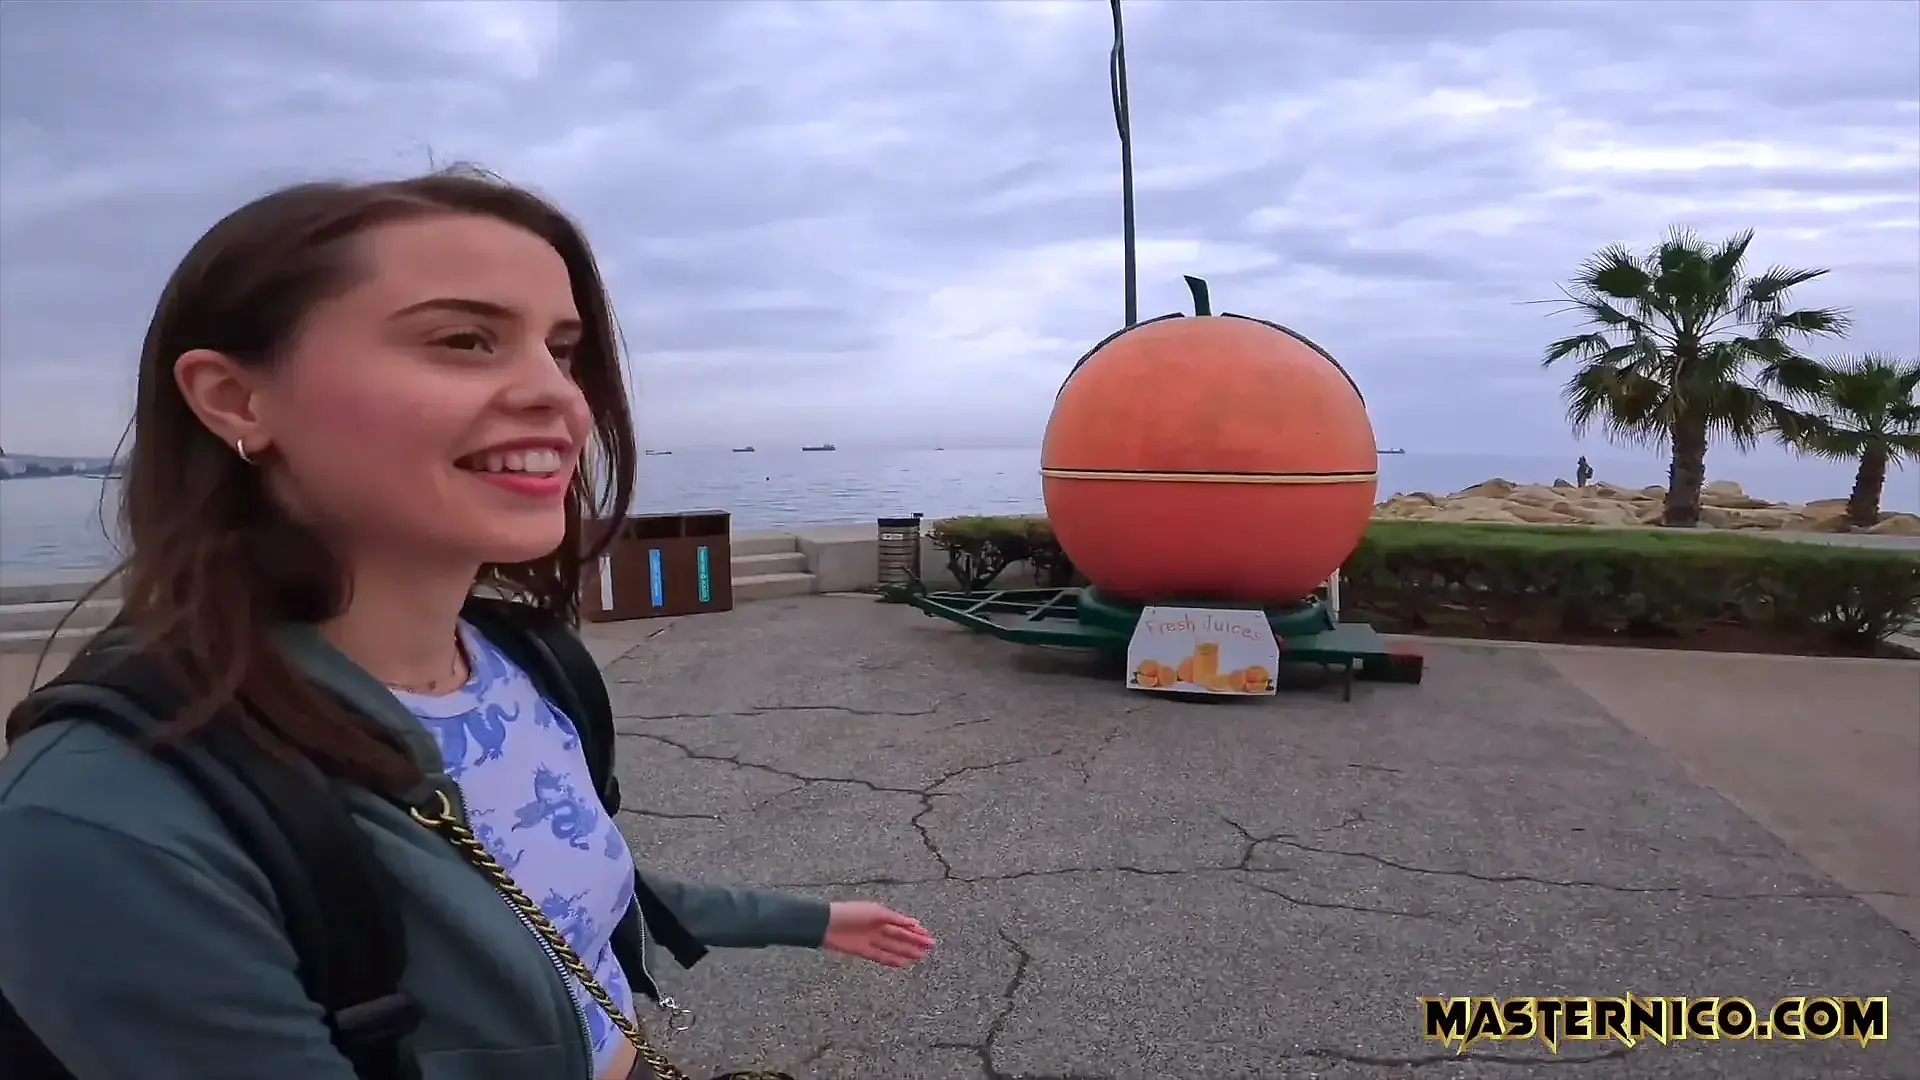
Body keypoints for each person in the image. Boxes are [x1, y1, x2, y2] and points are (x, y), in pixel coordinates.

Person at [0, 169, 935, 1080]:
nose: (560, 397)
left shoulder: (528, 663)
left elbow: (551, 887)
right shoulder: (110, 822)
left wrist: (808, 921)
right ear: (236, 399)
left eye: (561, 350)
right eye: (463, 340)